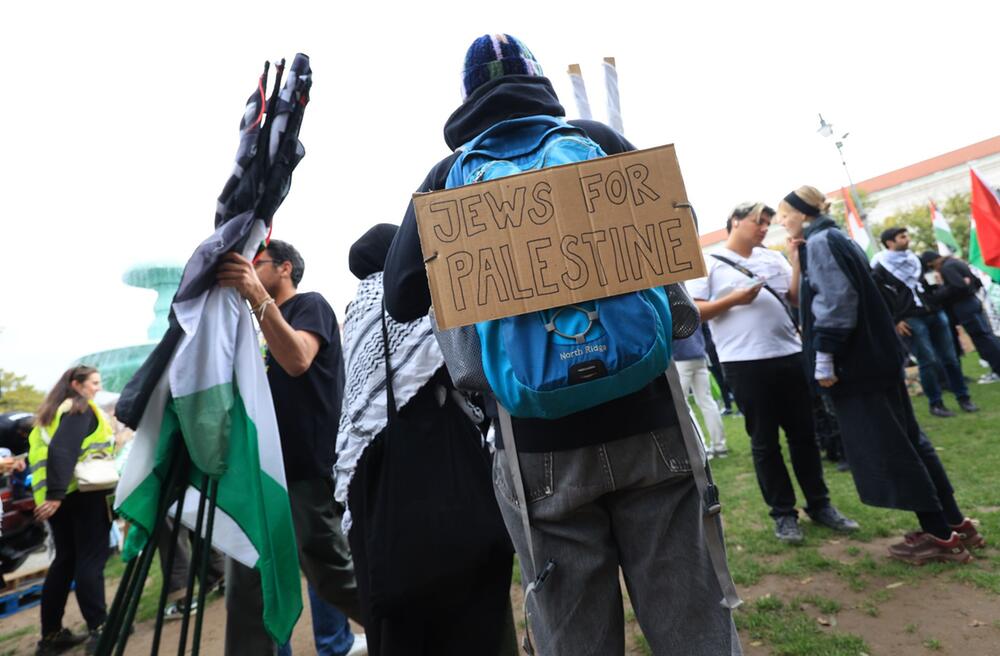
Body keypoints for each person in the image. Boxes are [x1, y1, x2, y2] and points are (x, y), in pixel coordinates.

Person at [383, 33, 742, 655]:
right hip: (652, 420)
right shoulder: (598, 142)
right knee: (693, 620)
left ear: (468, 98)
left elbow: (402, 295)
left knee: (573, 632)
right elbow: (667, 236)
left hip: (536, 444)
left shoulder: (445, 180)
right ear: (540, 81)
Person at [779, 185, 984, 565]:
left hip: (857, 365)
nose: (781, 222)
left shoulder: (822, 241)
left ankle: (940, 536)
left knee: (893, 446)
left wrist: (824, 355)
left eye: (784, 215)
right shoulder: (836, 236)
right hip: (878, 358)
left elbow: (837, 301)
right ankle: (955, 523)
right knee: (911, 439)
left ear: (801, 213)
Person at [336, 224, 515, 656]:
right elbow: (466, 370)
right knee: (473, 593)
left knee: (398, 605)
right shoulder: (419, 301)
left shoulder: (355, 314)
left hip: (373, 475)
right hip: (440, 455)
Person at [216, 239, 366, 656]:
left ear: (284, 268)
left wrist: (256, 294)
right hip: (259, 470)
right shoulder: (254, 325)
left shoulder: (309, 305)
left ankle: (412, 633)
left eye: (255, 262)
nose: (246, 268)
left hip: (302, 469)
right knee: (249, 579)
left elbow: (298, 360)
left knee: (331, 574)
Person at [689, 202, 858, 543]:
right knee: (765, 442)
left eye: (768, 222)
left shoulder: (773, 258)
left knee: (804, 437)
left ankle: (820, 504)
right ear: (735, 222)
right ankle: (783, 514)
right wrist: (734, 300)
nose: (765, 227)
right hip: (744, 362)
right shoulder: (709, 264)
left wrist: (795, 262)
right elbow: (694, 312)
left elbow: (794, 298)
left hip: (790, 355)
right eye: (758, 222)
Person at [28, 366, 114, 655]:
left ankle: (51, 636)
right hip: (82, 494)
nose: (97, 389)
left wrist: (53, 498)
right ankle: (100, 629)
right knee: (90, 560)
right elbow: (63, 451)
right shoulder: (79, 409)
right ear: (77, 385)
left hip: (60, 500)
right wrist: (56, 495)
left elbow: (52, 452)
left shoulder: (49, 414)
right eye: (93, 383)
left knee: (64, 562)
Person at [871, 228, 976, 417]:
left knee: (951, 357)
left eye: (907, 235)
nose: (907, 239)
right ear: (890, 243)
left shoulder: (916, 260)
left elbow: (931, 284)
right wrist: (896, 320)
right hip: (911, 318)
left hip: (934, 312)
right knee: (928, 361)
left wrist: (936, 298)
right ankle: (936, 403)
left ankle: (964, 398)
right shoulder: (881, 268)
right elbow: (880, 298)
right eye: (902, 237)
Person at [921, 250, 1000, 377]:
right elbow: (973, 282)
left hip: (964, 306)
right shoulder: (955, 262)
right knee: (986, 335)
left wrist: (939, 293)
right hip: (972, 302)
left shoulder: (947, 267)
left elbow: (958, 286)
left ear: (931, 262)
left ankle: (997, 369)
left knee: (982, 338)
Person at [672, 325, 728, 457]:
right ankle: (720, 446)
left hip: (680, 358)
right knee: (707, 402)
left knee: (682, 404)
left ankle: (701, 447)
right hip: (699, 355)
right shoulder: (693, 305)